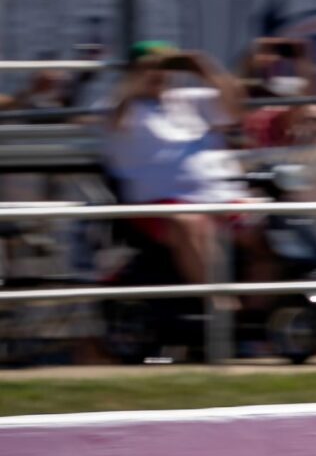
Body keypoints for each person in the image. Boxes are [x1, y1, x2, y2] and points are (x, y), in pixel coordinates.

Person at [102, 48, 249, 287]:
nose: (159, 74)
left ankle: (262, 304)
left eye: (164, 67)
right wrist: (138, 78)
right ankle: (219, 305)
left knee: (265, 227)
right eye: (149, 68)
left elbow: (235, 110)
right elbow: (116, 117)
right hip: (161, 201)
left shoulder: (188, 98)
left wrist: (204, 68)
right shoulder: (121, 107)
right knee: (190, 223)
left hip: (220, 194)